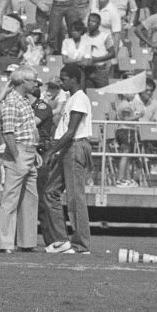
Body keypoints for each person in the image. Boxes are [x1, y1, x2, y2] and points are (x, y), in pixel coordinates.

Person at [40, 64, 94, 254]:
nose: (60, 82)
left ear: (74, 79)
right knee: (51, 192)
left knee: (75, 198)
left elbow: (71, 131)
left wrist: (51, 151)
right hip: (67, 149)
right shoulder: (72, 99)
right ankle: (62, 240)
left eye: (64, 79)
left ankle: (81, 245)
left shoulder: (80, 99)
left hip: (74, 147)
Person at [0, 67, 41, 254]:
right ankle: (5, 243)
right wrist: (17, 156)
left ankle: (27, 242)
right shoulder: (12, 101)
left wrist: (33, 151)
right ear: (23, 82)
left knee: (30, 199)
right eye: (33, 81)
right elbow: (8, 133)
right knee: (10, 200)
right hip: (18, 153)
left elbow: (26, 129)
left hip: (28, 151)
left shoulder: (23, 101)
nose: (36, 84)